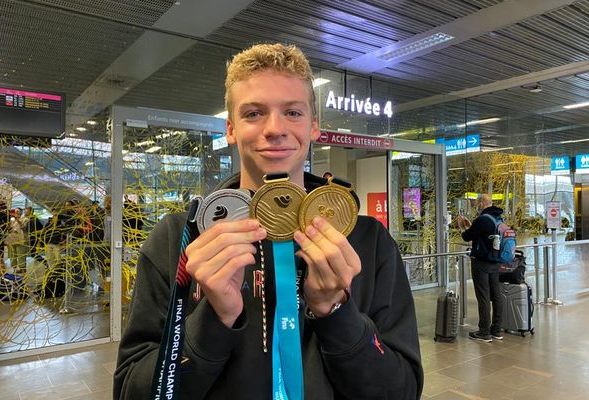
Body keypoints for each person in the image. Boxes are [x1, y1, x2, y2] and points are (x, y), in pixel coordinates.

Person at [114, 43, 423, 399]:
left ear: (314, 128)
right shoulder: (178, 238)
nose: (275, 128)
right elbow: (132, 392)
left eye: (292, 113)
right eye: (254, 113)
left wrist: (336, 312)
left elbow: (402, 390)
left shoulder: (368, 240)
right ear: (230, 129)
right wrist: (214, 320)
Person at [457, 193, 504, 343]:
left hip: (482, 262)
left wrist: (462, 227)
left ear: (482, 203)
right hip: (496, 261)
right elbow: (482, 234)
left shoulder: (483, 219)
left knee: (483, 297)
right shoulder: (498, 218)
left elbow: (467, 237)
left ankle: (484, 331)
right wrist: (472, 226)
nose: (476, 207)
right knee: (496, 296)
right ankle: (496, 329)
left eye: (477, 204)